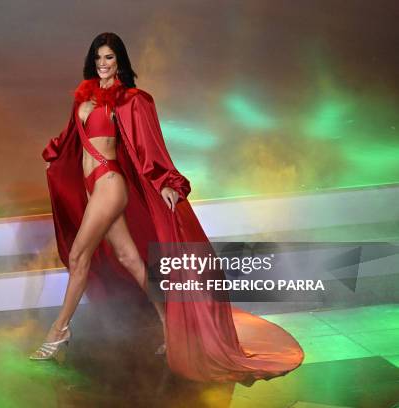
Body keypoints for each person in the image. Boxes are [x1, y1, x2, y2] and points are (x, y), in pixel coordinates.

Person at [31, 32, 304, 384]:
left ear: (120, 62)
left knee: (79, 257)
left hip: (110, 185)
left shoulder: (129, 102)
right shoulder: (82, 100)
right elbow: (71, 140)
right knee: (130, 259)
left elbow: (149, 148)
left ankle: (58, 331)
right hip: (91, 188)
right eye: (98, 58)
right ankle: (168, 325)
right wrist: (53, 157)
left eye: (110, 58)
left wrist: (167, 184)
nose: (103, 64)